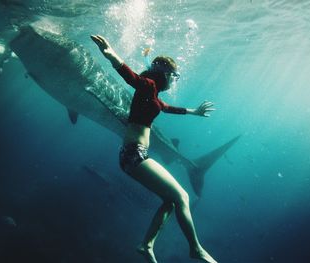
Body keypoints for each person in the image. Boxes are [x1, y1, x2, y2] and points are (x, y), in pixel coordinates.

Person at [90, 34, 217, 263]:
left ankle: (147, 244)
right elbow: (133, 78)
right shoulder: (148, 85)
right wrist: (112, 56)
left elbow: (166, 107)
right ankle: (196, 249)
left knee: (170, 201)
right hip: (134, 155)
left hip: (135, 155)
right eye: (174, 77)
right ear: (167, 74)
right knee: (182, 196)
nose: (174, 82)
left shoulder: (154, 95)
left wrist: (193, 112)